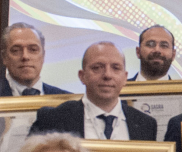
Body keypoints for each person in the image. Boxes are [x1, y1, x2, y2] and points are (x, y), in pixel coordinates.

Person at [29, 42, 158, 141]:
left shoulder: (146, 124)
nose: (107, 75)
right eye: (97, 67)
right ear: (82, 76)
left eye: (115, 68)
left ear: (125, 77)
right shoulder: (52, 120)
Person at [0, 22, 69, 96]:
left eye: (33, 49)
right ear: (4, 57)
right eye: (16, 50)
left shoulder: (66, 99)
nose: (25, 56)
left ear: (43, 55)